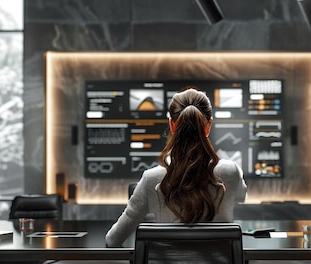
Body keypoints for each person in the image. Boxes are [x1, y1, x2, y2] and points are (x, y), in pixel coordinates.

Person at [105, 88, 247, 247]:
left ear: (172, 125)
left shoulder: (151, 179)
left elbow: (113, 239)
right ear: (208, 126)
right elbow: (241, 196)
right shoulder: (231, 172)